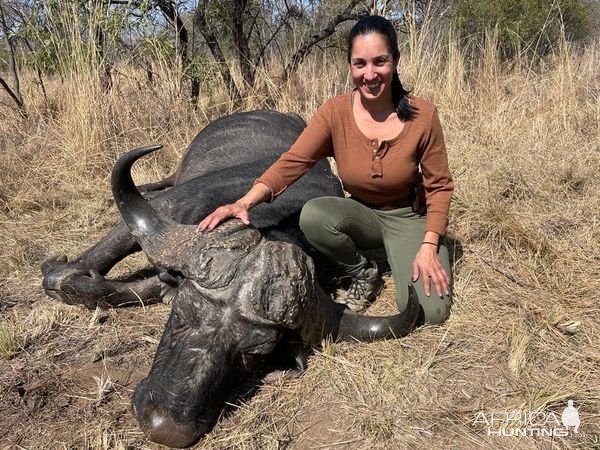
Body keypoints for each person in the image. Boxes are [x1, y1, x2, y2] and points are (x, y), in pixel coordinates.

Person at [197, 15, 453, 324]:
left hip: (407, 216)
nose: (370, 74)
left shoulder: (423, 115)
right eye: (360, 64)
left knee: (430, 312)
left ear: (395, 60)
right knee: (315, 215)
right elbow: (293, 162)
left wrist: (428, 245)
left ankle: (407, 251)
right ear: (349, 65)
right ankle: (363, 271)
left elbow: (439, 186)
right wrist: (243, 202)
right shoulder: (335, 112)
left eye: (380, 61)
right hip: (362, 214)